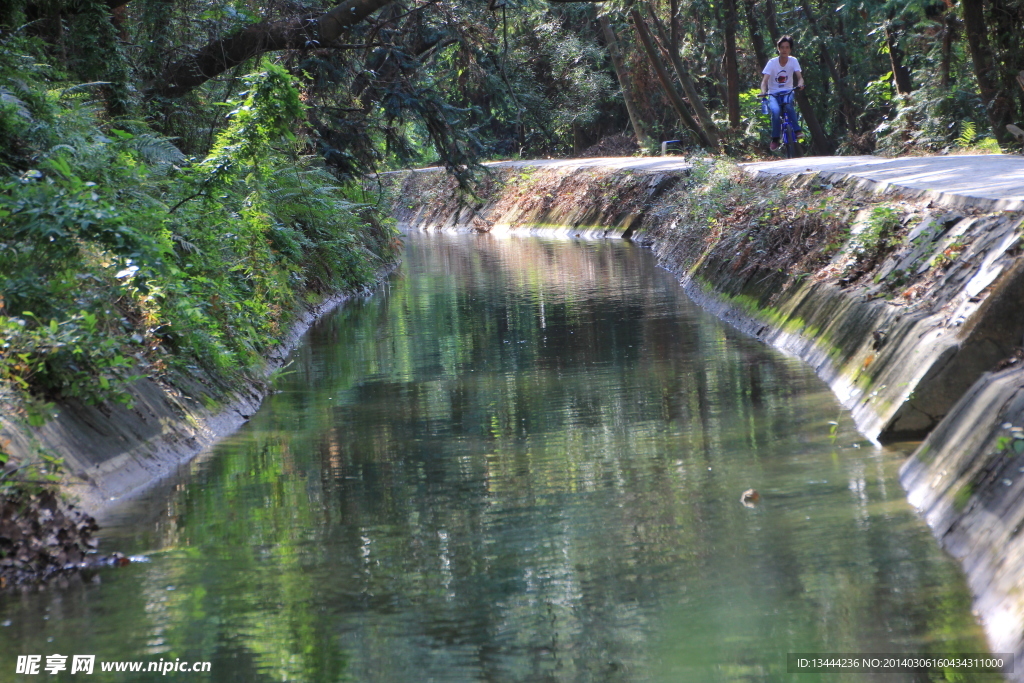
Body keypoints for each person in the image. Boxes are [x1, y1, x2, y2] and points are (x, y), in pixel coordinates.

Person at [760, 35, 805, 151]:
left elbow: (800, 77)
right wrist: (763, 92)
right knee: (775, 111)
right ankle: (775, 139)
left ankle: (797, 130)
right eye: (782, 47)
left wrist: (800, 84)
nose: (784, 50)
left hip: (788, 91)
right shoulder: (772, 62)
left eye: (787, 47)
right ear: (778, 49)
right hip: (773, 93)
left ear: (790, 49)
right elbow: (764, 81)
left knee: (789, 106)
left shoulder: (793, 61)